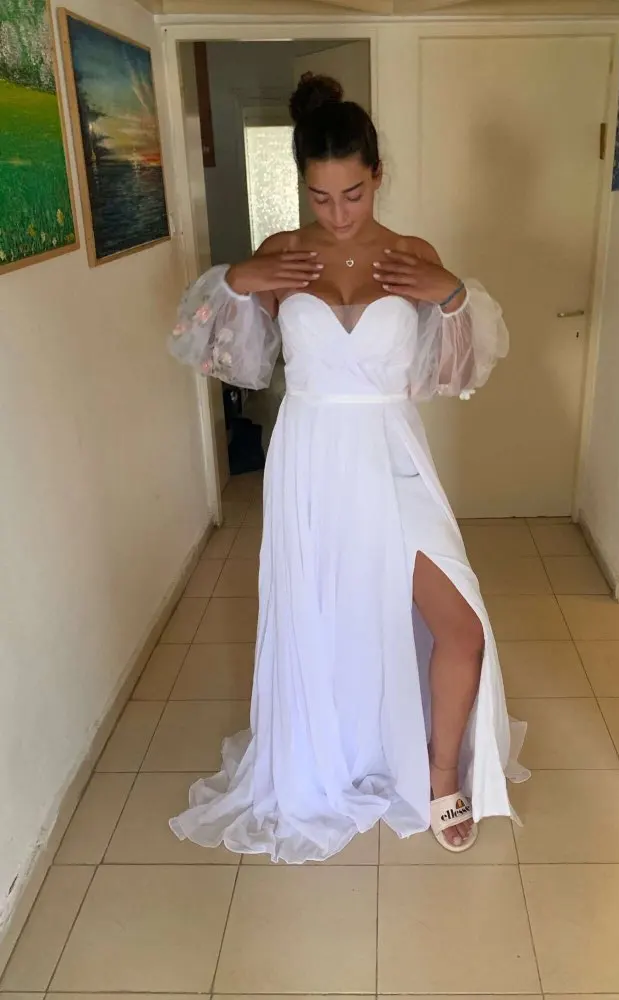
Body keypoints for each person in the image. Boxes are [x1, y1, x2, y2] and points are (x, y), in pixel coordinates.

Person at [168, 73, 528, 864]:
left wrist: (453, 296)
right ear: (303, 185)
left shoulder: (412, 256)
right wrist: (239, 282)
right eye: (321, 197)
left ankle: (440, 775)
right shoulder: (282, 255)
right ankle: (334, 755)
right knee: (325, 616)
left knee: (461, 627)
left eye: (354, 194)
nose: (337, 214)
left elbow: (454, 373)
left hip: (393, 456)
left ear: (377, 176)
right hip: (311, 459)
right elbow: (218, 351)